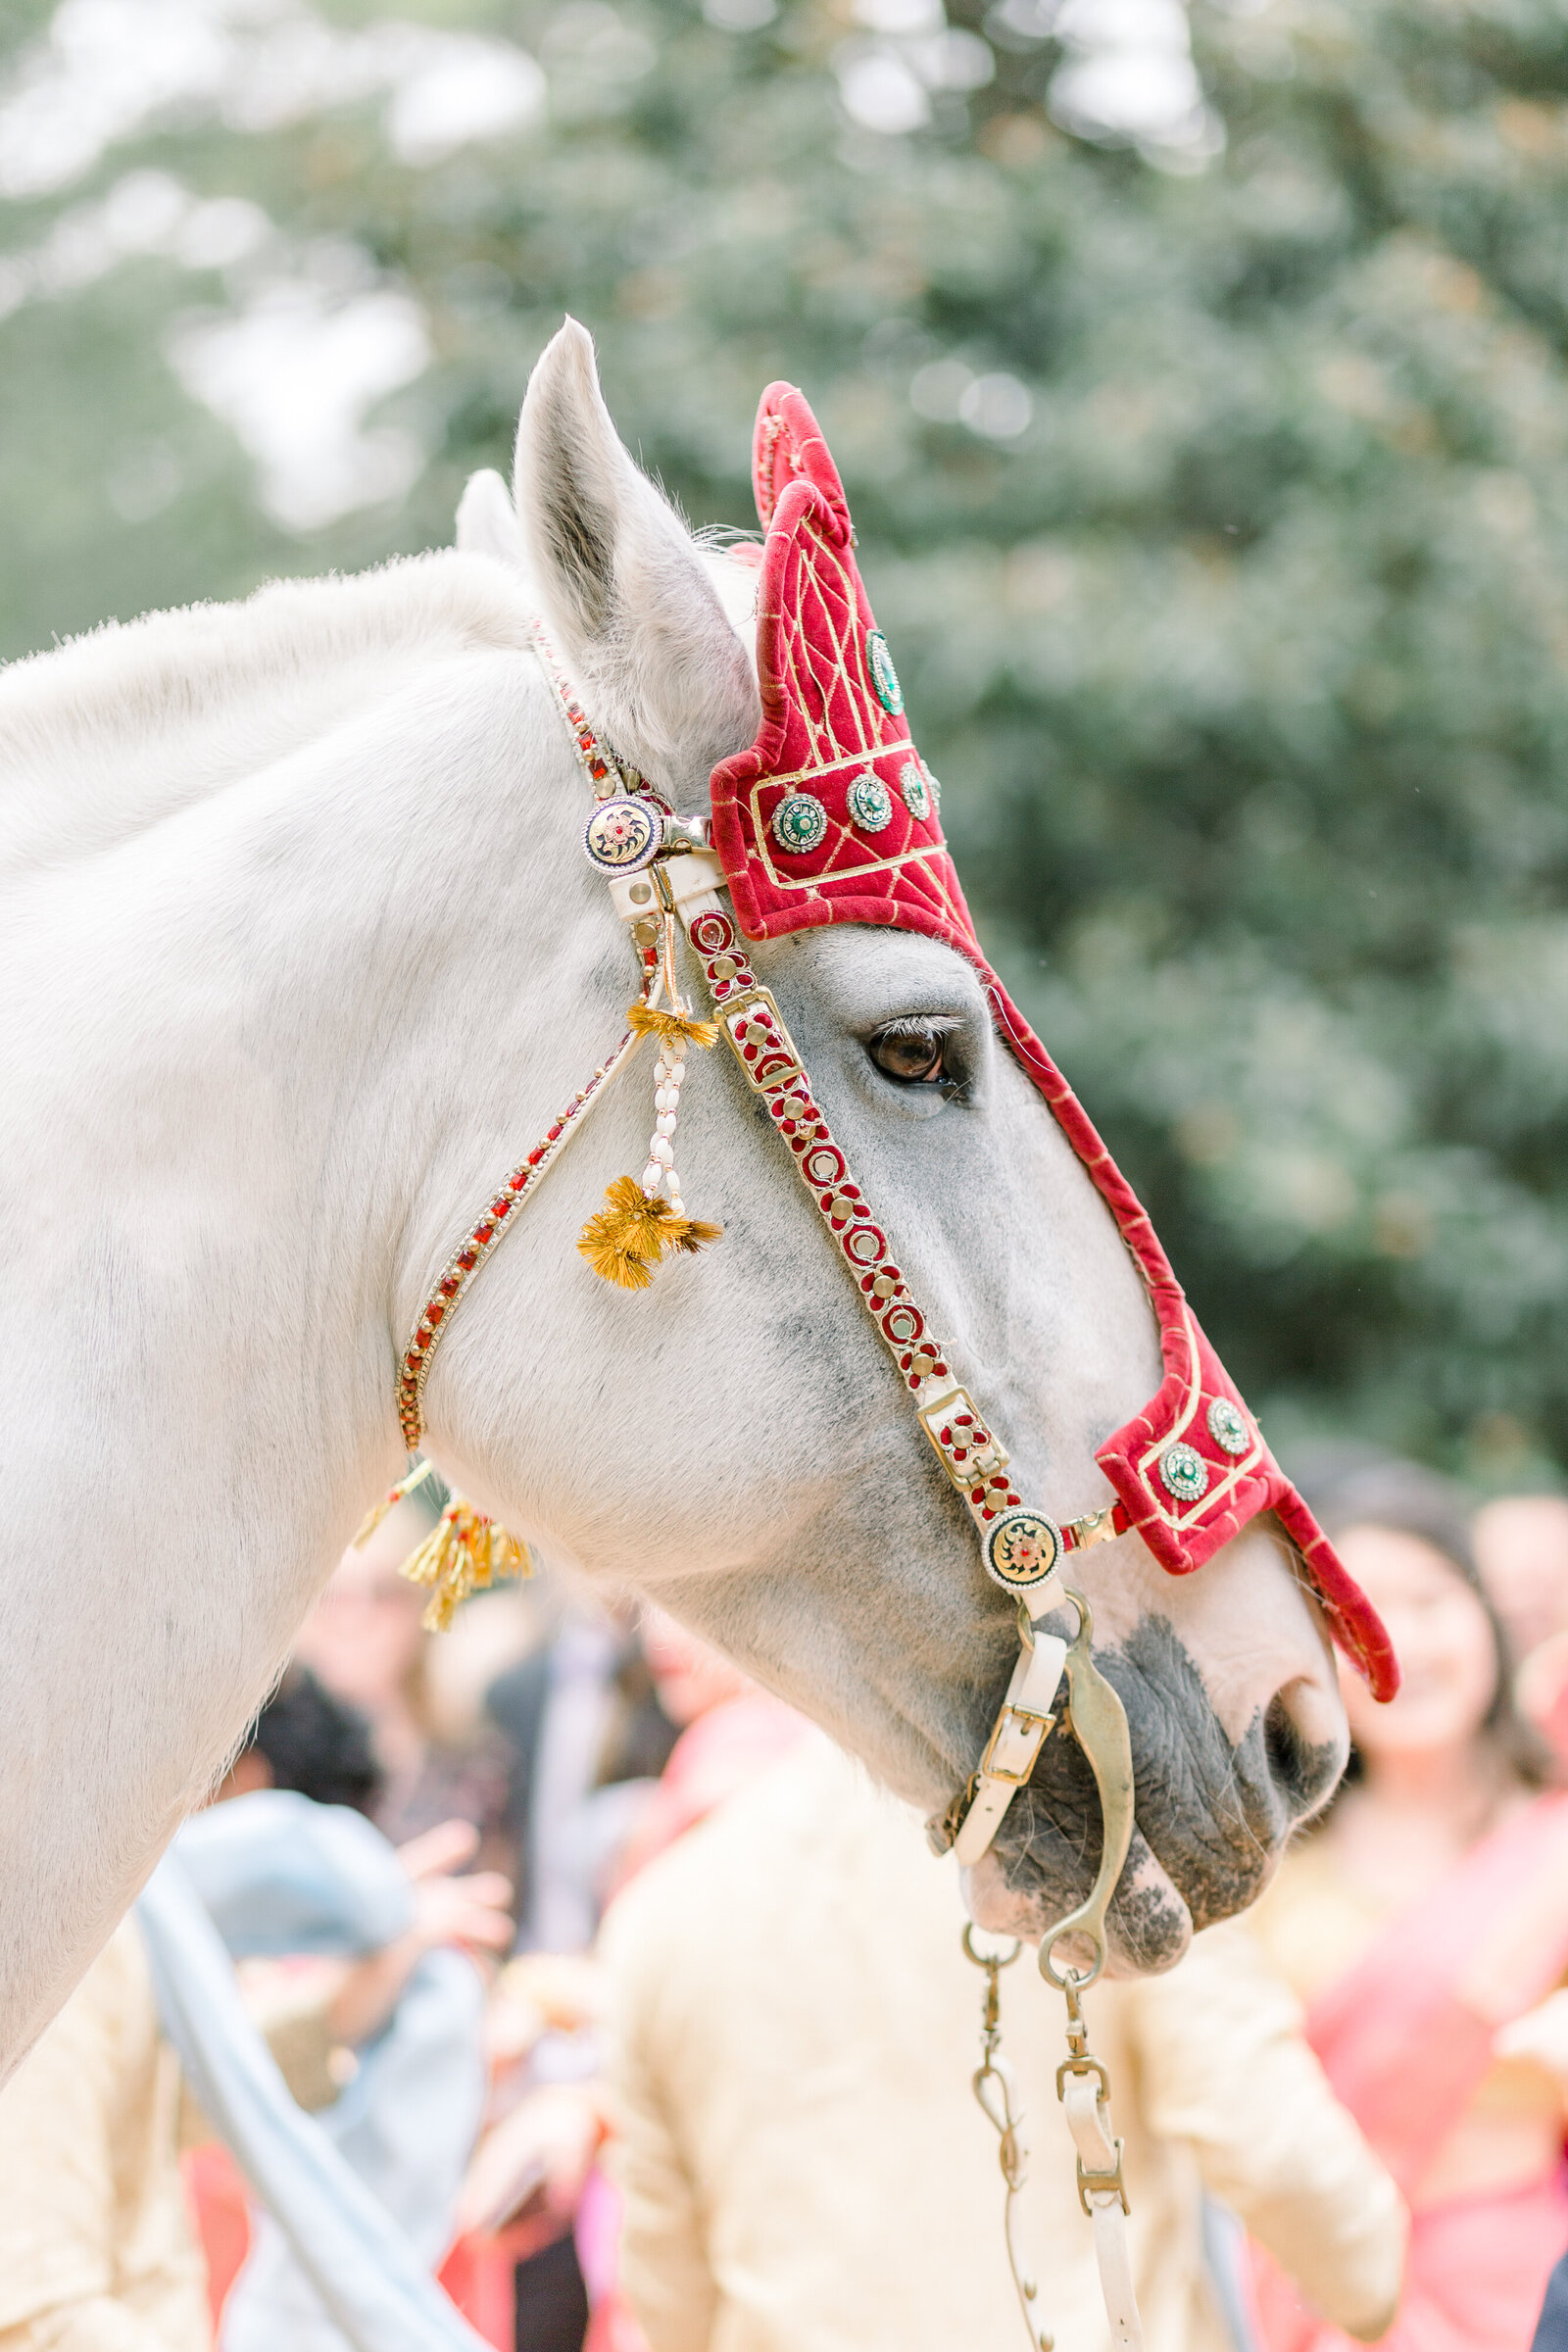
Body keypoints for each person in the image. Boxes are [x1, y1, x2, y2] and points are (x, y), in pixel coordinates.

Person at [598, 1729, 1406, 2352]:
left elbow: (672, 2287)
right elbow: (1268, 2140)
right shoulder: (1105, 1849)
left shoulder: (664, 1910)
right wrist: (1368, 2280)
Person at [1247, 1456, 1568, 2352]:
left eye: (1429, 1602)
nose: (1403, 1647)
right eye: (1357, 1619)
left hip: (1535, 2290)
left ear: (1486, 1620)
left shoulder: (1556, 1844)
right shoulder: (1260, 1876)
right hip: (1329, 2307)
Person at [297, 1494, 515, 1876]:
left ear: (424, 1604)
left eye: (383, 1594)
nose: (353, 1619)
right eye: (330, 1595)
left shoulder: (479, 1767)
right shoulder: (250, 1768)